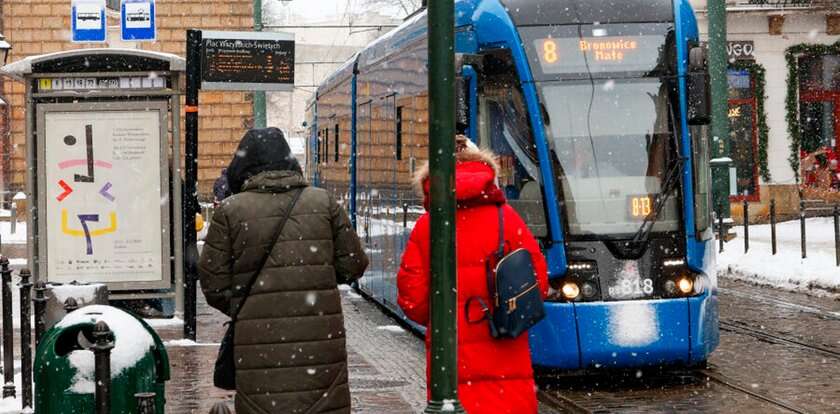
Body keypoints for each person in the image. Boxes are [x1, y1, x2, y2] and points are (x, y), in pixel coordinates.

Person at [198, 127, 368, 414]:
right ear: (290, 162)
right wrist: (315, 283)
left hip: (258, 348)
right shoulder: (322, 202)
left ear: (242, 166)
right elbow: (353, 264)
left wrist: (252, 307)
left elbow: (213, 285)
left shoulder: (230, 210)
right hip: (320, 344)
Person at [397, 135, 549, 414]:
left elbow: (414, 304)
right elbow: (537, 286)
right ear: (484, 168)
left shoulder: (427, 226)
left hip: (453, 366)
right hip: (506, 355)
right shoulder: (508, 218)